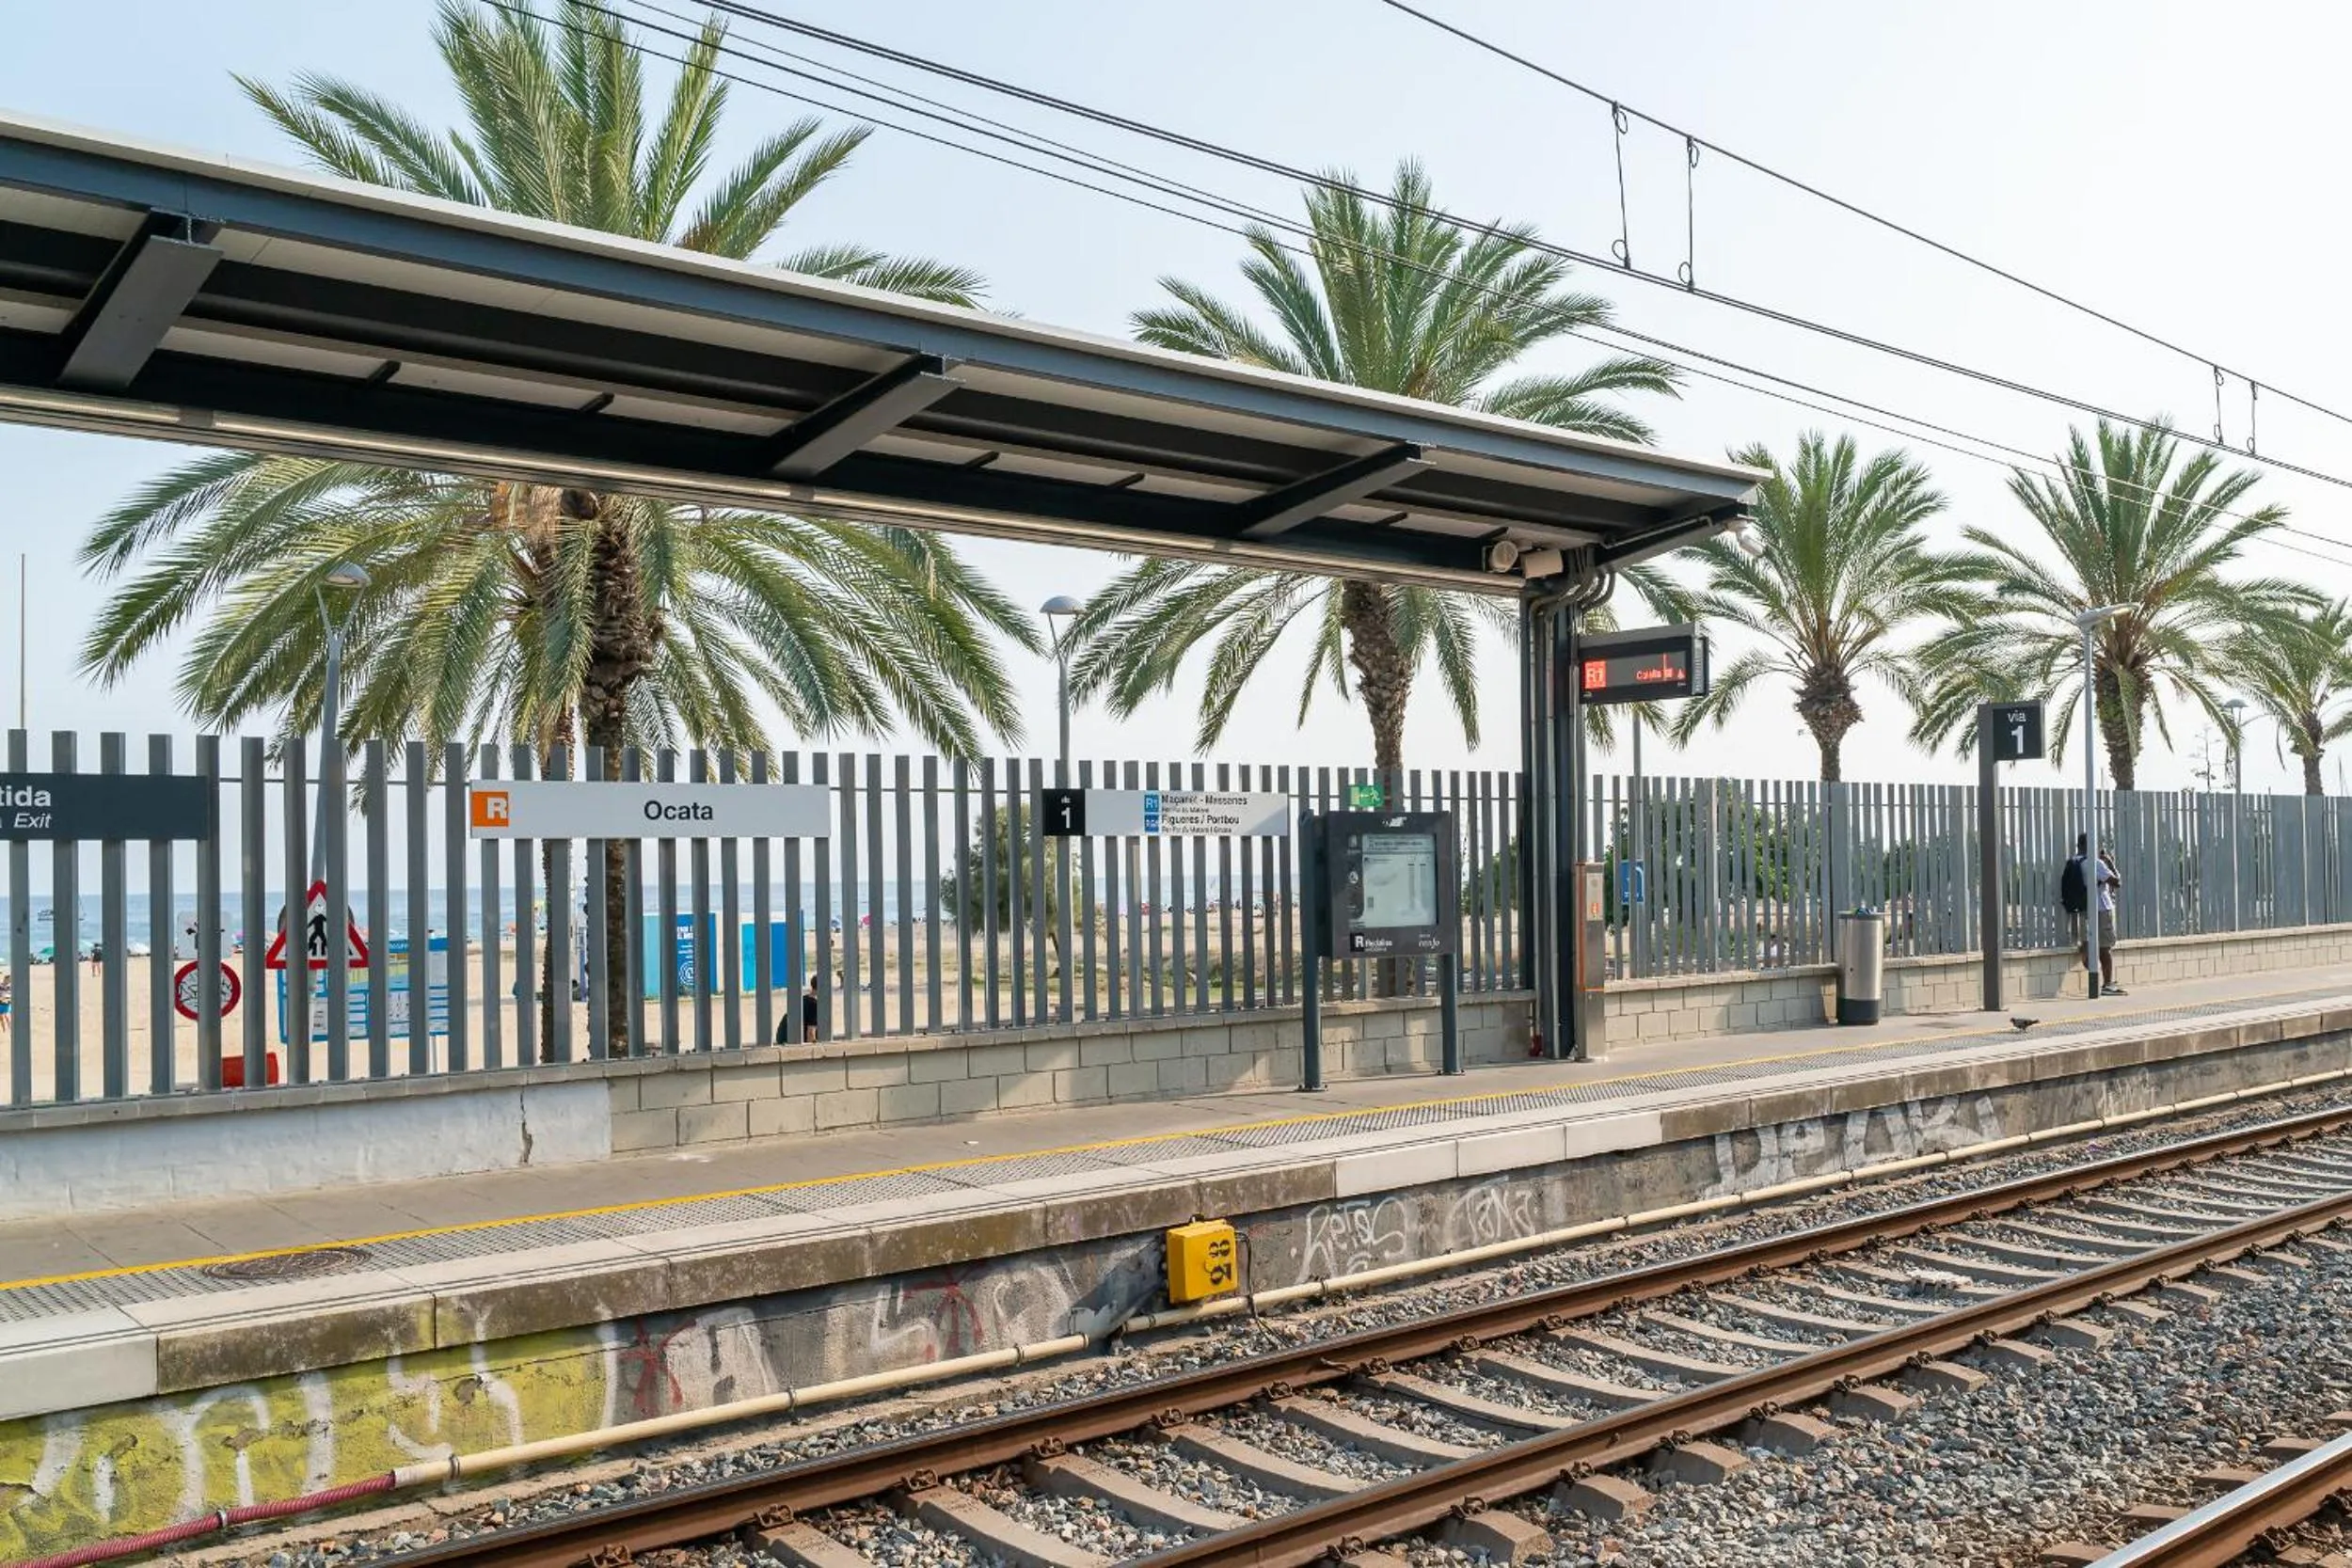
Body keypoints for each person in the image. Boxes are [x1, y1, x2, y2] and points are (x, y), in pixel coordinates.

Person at [2062, 833, 2125, 997]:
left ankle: (2093, 976)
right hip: (2102, 909)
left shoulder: (2074, 862)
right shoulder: (2096, 863)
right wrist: (2110, 861)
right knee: (2105, 948)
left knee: (2086, 946)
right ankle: (2107, 984)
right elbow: (2117, 882)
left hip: (2084, 910)